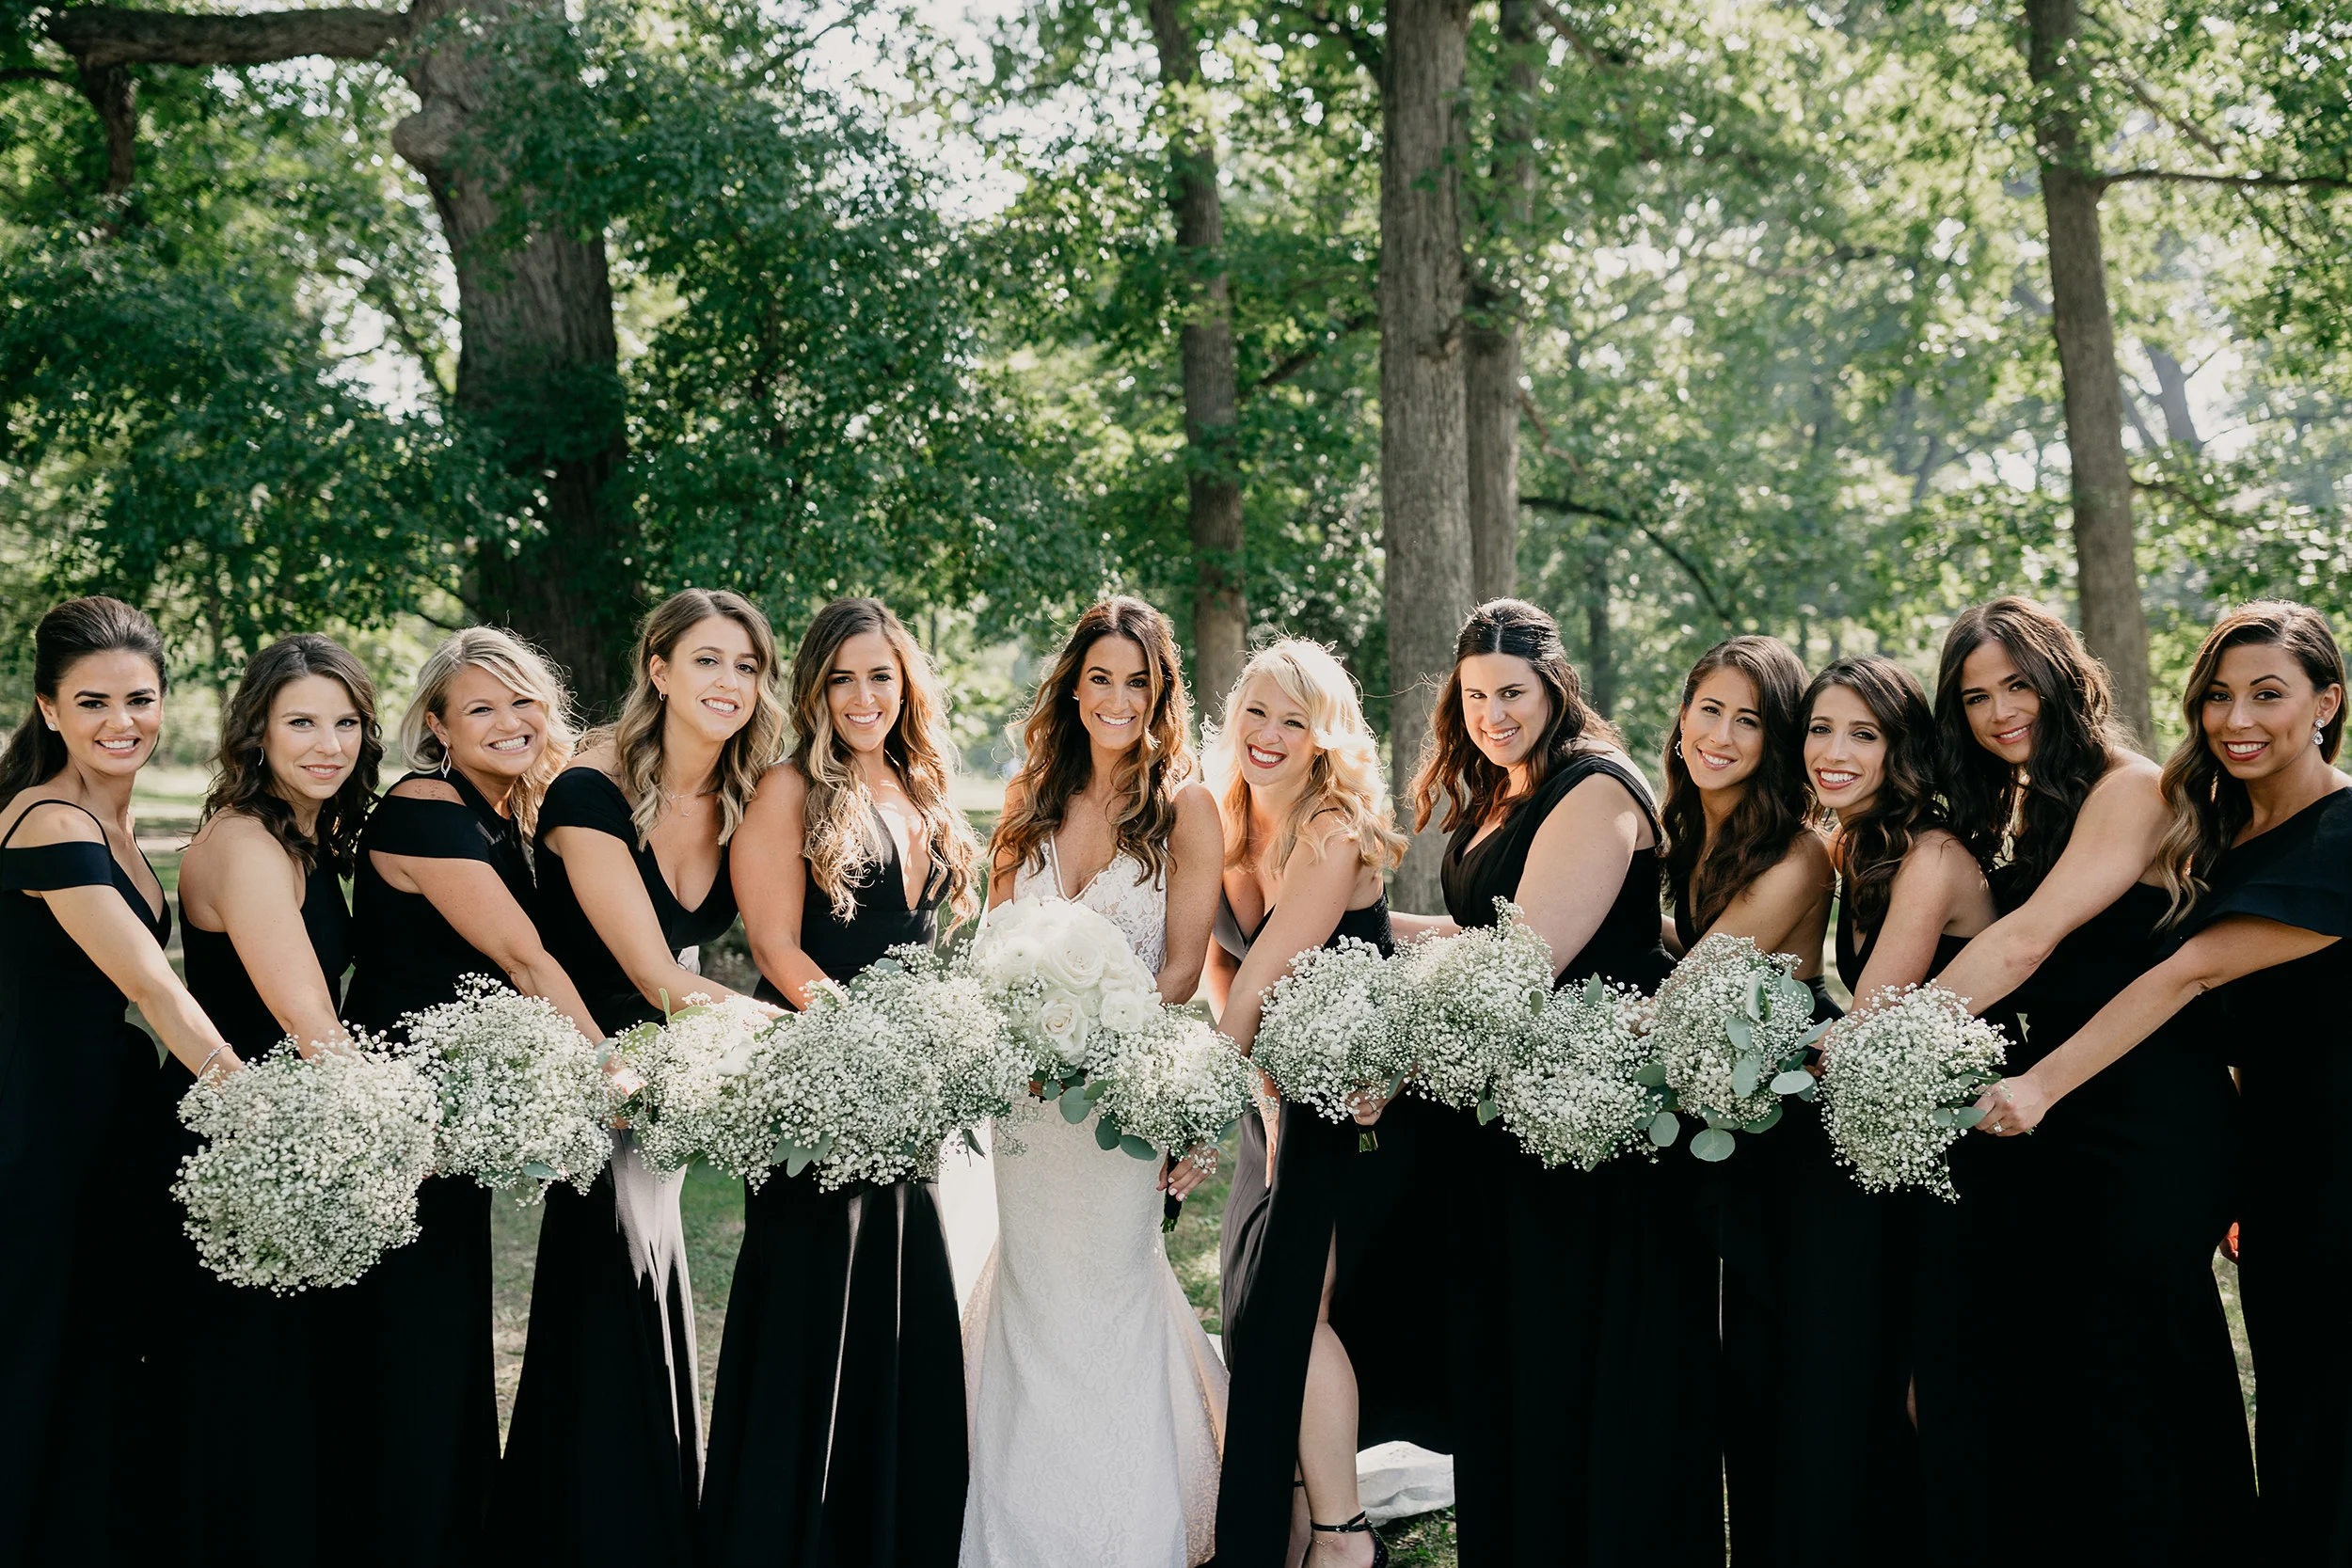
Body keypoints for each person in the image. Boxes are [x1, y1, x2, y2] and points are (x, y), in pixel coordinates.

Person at [1979, 601, 2343, 1564]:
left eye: (2269, 694)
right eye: (2216, 696)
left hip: (2341, 1170)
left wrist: (2039, 1086)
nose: (2237, 718)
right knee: (2299, 1425)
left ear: (2327, 703)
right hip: (2278, 1174)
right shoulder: (2223, 833)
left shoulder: (2341, 834)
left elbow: (2188, 976)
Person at [1920, 598, 2250, 1564]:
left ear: (2062, 675)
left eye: (2016, 683)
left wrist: (1876, 1044)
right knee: (2085, 1378)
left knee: (2131, 1373)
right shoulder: (2025, 800)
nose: (1997, 710)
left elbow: (2023, 943)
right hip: (2065, 1118)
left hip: (2155, 1124)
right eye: (1974, 695)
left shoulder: (2129, 786)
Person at [1409, 598, 1718, 1566]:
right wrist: (1353, 931)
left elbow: (1521, 963)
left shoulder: (1592, 789)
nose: (1491, 713)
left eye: (1511, 692)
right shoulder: (1505, 787)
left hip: (1588, 1140)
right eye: (1473, 695)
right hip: (1513, 1124)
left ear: (1555, 688)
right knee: (1512, 1371)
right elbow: (1488, 940)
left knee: (1574, 1372)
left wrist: (1395, 1012)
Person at [494, 590, 786, 1566]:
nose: (730, 683)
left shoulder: (743, 794)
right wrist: (816, 1039)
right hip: (589, 1063)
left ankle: (645, 1519)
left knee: (649, 1278)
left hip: (662, 1078)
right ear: (657, 670)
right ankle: (583, 1530)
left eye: (746, 665)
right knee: (605, 1278)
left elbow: (753, 948)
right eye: (707, 660)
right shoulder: (589, 790)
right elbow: (657, 976)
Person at [701, 597, 982, 1568]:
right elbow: (776, 945)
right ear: (815, 687)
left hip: (907, 1087)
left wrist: (933, 1040)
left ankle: (890, 1529)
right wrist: (864, 1041)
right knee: (808, 1313)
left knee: (896, 1310)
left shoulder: (921, 787)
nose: (863, 696)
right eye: (843, 677)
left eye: (881, 676)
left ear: (905, 684)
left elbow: (928, 943)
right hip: (820, 1076)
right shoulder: (787, 790)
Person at [320, 626, 605, 1568]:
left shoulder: (503, 815)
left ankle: (446, 1529)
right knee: (412, 1345)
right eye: (478, 706)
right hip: (395, 1116)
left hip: (453, 1113)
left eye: (522, 699)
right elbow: (525, 958)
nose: (507, 720)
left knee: (443, 1338)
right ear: (436, 726)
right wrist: (615, 1067)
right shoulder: (425, 806)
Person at [961, 595, 1227, 1568]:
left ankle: (1125, 1534)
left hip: (1115, 1099)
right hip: (1026, 1112)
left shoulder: (1186, 804)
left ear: (1160, 695)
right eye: (1101, 677)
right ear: (1074, 685)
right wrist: (1021, 1037)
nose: (1118, 699)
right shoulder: (1031, 793)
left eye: (1138, 682)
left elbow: (1184, 969)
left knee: (1110, 1296)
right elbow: (994, 942)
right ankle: (1018, 1528)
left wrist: (1094, 1045)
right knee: (1034, 1297)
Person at [0, 598, 244, 1568]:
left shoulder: (111, 813)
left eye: (138, 698)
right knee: (32, 1356)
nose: (121, 721)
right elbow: (151, 985)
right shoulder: (48, 819)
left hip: (96, 1120)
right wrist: (272, 1105)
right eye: (92, 701)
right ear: (49, 709)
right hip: (33, 1126)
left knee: (89, 1356)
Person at [1200, 640, 1453, 1568]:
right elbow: (1227, 960)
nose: (1268, 734)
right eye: (1256, 711)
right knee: (1259, 1308)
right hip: (1277, 1093)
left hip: (1357, 1105)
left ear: (1322, 738)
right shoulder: (1226, 817)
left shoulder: (1331, 824)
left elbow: (1268, 971)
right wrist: (1252, 1100)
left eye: (1293, 720)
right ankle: (1308, 1515)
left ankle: (1344, 1539)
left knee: (1294, 1311)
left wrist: (1195, 1099)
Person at [1657, 637, 1902, 1568]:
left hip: (1802, 1129)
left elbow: (1696, 980)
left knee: (1805, 1379)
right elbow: (1693, 940)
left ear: (1776, 739)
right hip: (1734, 1120)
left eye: (1750, 719)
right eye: (1709, 708)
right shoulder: (1695, 828)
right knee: (1748, 1376)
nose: (1721, 734)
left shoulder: (1800, 850)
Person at [146, 634, 382, 1567]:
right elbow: (308, 1017)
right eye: (302, 722)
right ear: (257, 731)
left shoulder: (306, 833)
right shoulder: (247, 844)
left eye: (347, 721)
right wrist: (397, 1130)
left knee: (293, 1391)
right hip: (236, 1151)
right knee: (247, 1397)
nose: (329, 742)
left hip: (286, 1143)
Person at [1807, 655, 2012, 1568]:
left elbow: (1872, 1013)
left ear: (1902, 749)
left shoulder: (1928, 853)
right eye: (1820, 728)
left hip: (1968, 1153)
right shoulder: (1854, 844)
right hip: (1905, 1138)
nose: (1835, 750)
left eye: (1863, 733)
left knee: (1947, 1383)